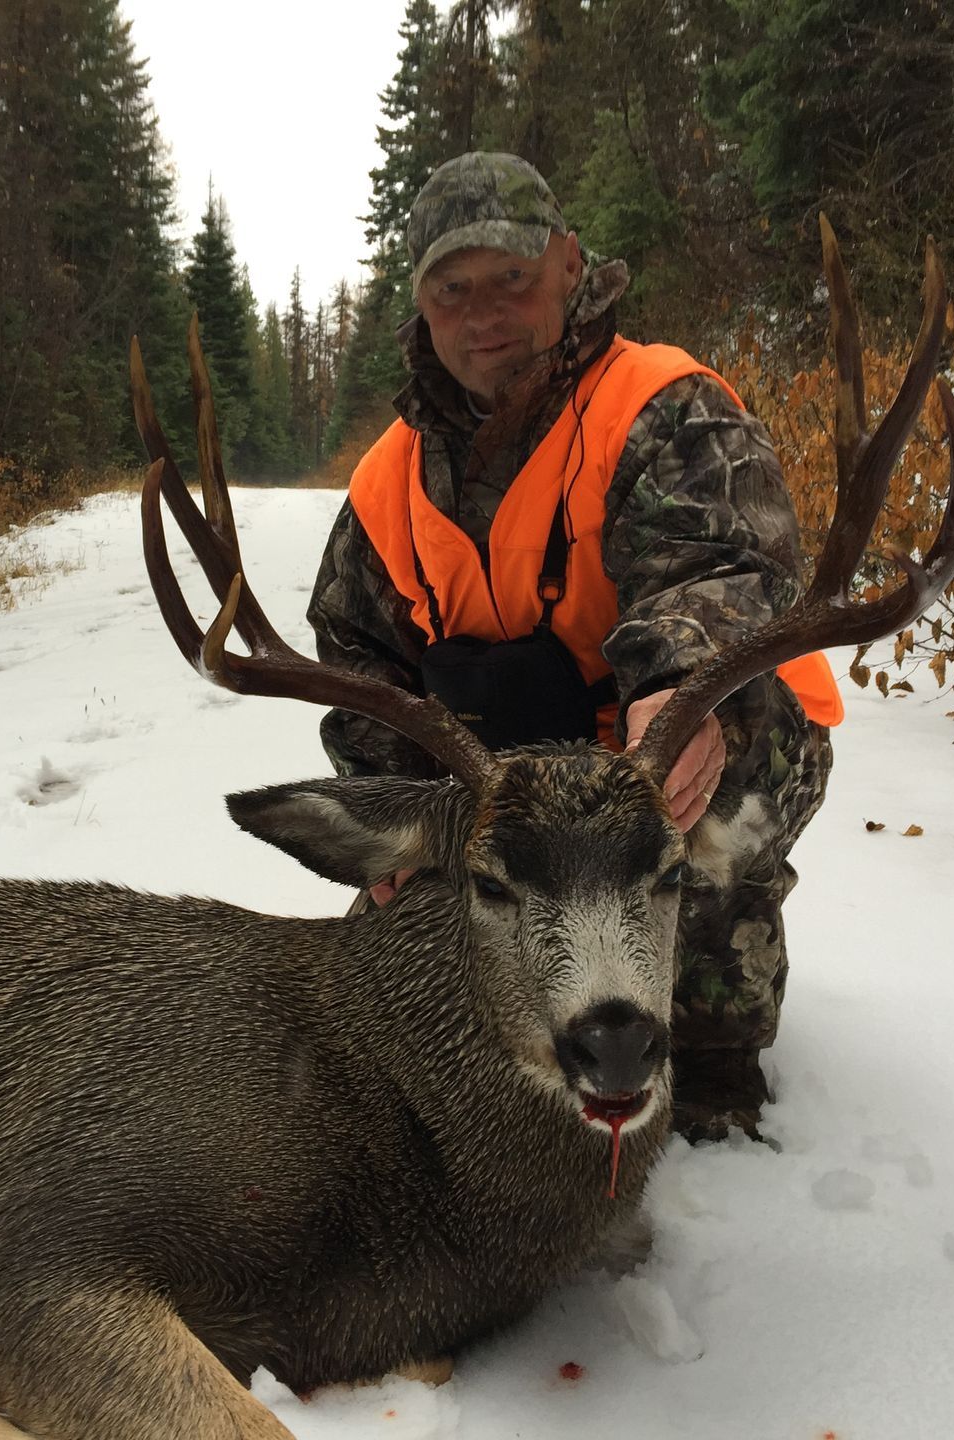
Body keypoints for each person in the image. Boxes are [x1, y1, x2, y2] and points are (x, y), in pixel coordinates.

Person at [306, 152, 838, 1142]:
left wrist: (680, 684)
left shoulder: (661, 405)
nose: (483, 313)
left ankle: (714, 1049)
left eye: (512, 278)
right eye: (452, 289)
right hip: (505, 781)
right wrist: (390, 809)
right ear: (420, 308)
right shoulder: (388, 479)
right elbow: (354, 655)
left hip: (652, 761)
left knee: (729, 734)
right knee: (376, 1001)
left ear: (570, 267)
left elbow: (723, 563)